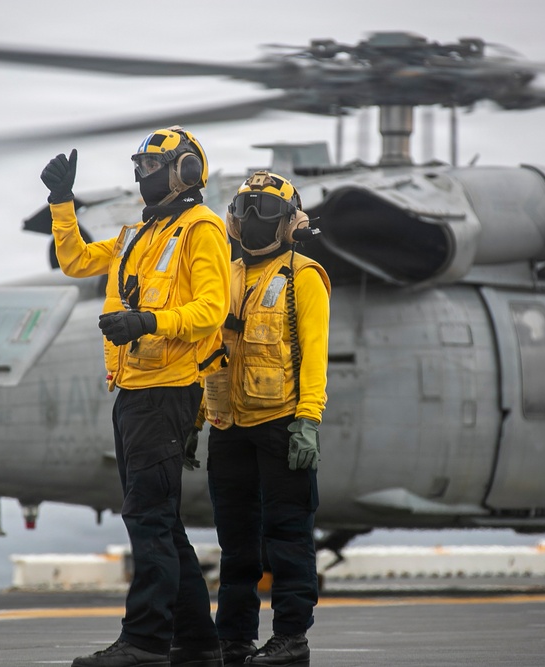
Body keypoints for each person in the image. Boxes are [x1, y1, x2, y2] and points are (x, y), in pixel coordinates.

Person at [41, 127, 230, 667]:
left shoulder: (203, 231)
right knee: (162, 521)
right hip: (131, 392)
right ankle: (198, 644)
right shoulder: (135, 235)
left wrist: (146, 320)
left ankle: (145, 642)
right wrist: (61, 202)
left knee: (146, 517)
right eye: (139, 166)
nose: (139, 175)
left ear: (185, 173)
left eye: (150, 166)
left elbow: (210, 311)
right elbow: (76, 261)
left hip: (167, 392)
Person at [199, 172, 330, 667]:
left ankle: (291, 638)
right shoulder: (227, 276)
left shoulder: (304, 276)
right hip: (229, 428)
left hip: (282, 425)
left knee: (289, 536)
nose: (253, 220)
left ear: (290, 221)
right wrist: (197, 423)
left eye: (266, 211)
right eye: (245, 209)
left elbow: (315, 356)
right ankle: (234, 638)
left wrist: (308, 421)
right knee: (236, 545)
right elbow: (207, 353)